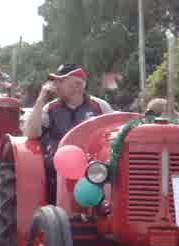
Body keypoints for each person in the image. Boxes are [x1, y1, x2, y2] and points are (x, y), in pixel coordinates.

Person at [25, 64, 113, 203]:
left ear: (77, 85)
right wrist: (41, 99)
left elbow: (113, 136)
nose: (54, 86)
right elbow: (31, 134)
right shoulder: (50, 108)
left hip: (95, 169)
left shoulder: (100, 106)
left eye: (60, 81)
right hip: (57, 169)